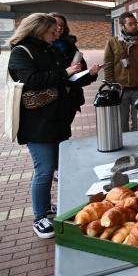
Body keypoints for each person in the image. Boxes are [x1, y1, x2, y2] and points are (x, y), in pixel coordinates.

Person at [7, 13, 85, 239]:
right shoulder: (21, 52)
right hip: (37, 123)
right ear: (39, 30)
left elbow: (63, 77)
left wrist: (84, 73)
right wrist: (65, 72)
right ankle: (40, 216)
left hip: (57, 118)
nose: (55, 35)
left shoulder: (49, 49)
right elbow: (32, 80)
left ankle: (49, 207)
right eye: (52, 32)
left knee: (59, 166)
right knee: (45, 169)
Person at [103, 12, 138, 132]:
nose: (134, 26)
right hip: (120, 90)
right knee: (121, 123)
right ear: (122, 26)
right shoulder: (112, 42)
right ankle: (125, 148)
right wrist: (112, 85)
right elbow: (108, 66)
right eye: (130, 24)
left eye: (135, 23)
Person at [50, 12, 99, 125]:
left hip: (71, 97)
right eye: (56, 24)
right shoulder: (42, 47)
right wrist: (67, 71)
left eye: (62, 25)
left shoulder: (70, 45)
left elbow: (81, 72)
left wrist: (90, 74)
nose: (59, 27)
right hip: (51, 99)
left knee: (64, 130)